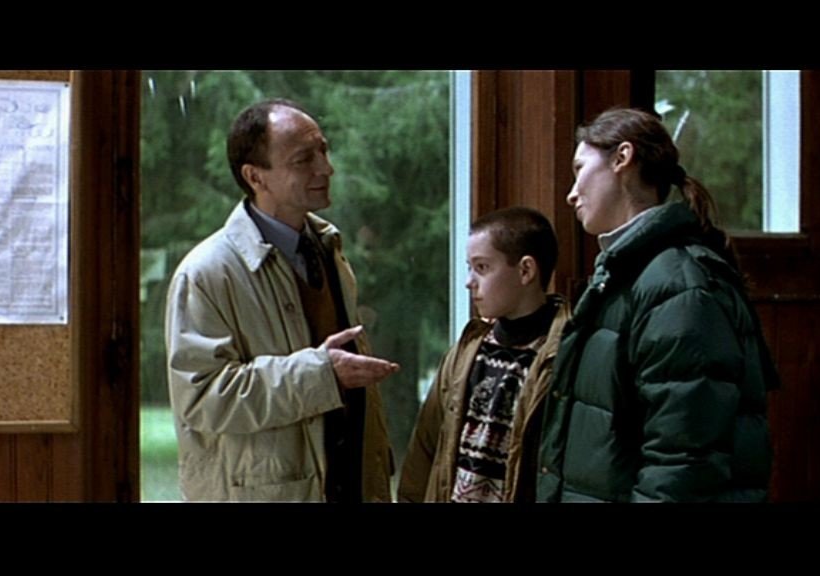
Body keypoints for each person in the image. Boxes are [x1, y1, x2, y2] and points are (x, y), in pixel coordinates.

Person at [537, 107, 780, 502]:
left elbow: (684, 461)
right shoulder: (624, 274)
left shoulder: (677, 286)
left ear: (622, 158)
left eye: (580, 169)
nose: (571, 192)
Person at [165, 98, 398, 502]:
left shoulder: (329, 249)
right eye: (303, 159)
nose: (326, 168)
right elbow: (202, 399)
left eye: (323, 151)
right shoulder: (206, 273)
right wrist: (321, 375)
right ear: (255, 176)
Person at [398, 207, 571, 502]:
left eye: (482, 267)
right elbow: (425, 447)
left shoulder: (564, 353)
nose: (469, 281)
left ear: (526, 271)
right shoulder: (467, 351)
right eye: (469, 267)